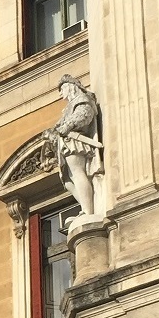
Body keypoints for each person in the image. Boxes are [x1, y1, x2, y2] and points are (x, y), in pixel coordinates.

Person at [44, 76, 106, 232]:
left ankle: (88, 211)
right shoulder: (69, 107)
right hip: (65, 144)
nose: (61, 94)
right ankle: (85, 207)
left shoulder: (81, 99)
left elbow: (84, 115)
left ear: (71, 87)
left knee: (78, 173)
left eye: (62, 89)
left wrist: (68, 125)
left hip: (75, 142)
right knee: (68, 181)